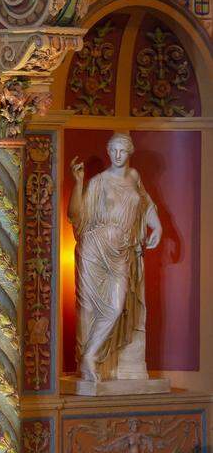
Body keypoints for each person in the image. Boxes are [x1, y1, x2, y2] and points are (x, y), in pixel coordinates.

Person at [68, 133, 162, 382]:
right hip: (96, 247)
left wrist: (157, 226)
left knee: (116, 306)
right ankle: (88, 360)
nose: (118, 155)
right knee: (89, 309)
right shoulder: (98, 182)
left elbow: (145, 204)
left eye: (122, 151)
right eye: (113, 151)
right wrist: (78, 183)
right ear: (108, 152)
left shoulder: (134, 177)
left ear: (130, 152)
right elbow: (75, 215)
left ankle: (90, 354)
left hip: (121, 251)